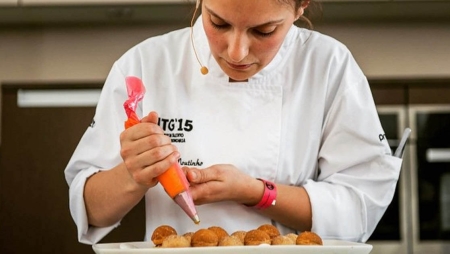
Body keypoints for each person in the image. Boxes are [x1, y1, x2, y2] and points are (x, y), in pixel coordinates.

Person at [64, 0, 402, 245]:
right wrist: (133, 174)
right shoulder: (145, 64)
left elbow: (358, 208)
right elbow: (91, 210)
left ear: (301, 7)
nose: (236, 52)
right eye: (218, 23)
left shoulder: (328, 66)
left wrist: (256, 193)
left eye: (264, 30)